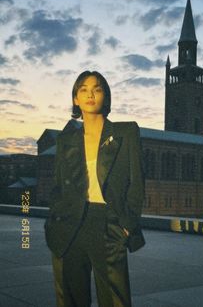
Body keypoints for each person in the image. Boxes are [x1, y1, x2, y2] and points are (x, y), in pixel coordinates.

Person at [44, 70, 145, 307]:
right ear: (75, 99)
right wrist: (52, 223)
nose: (90, 94)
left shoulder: (126, 133)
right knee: (71, 298)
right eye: (83, 89)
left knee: (114, 299)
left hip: (109, 224)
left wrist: (128, 224)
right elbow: (58, 185)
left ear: (105, 96)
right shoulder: (65, 139)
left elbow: (137, 182)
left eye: (97, 88)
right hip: (69, 225)